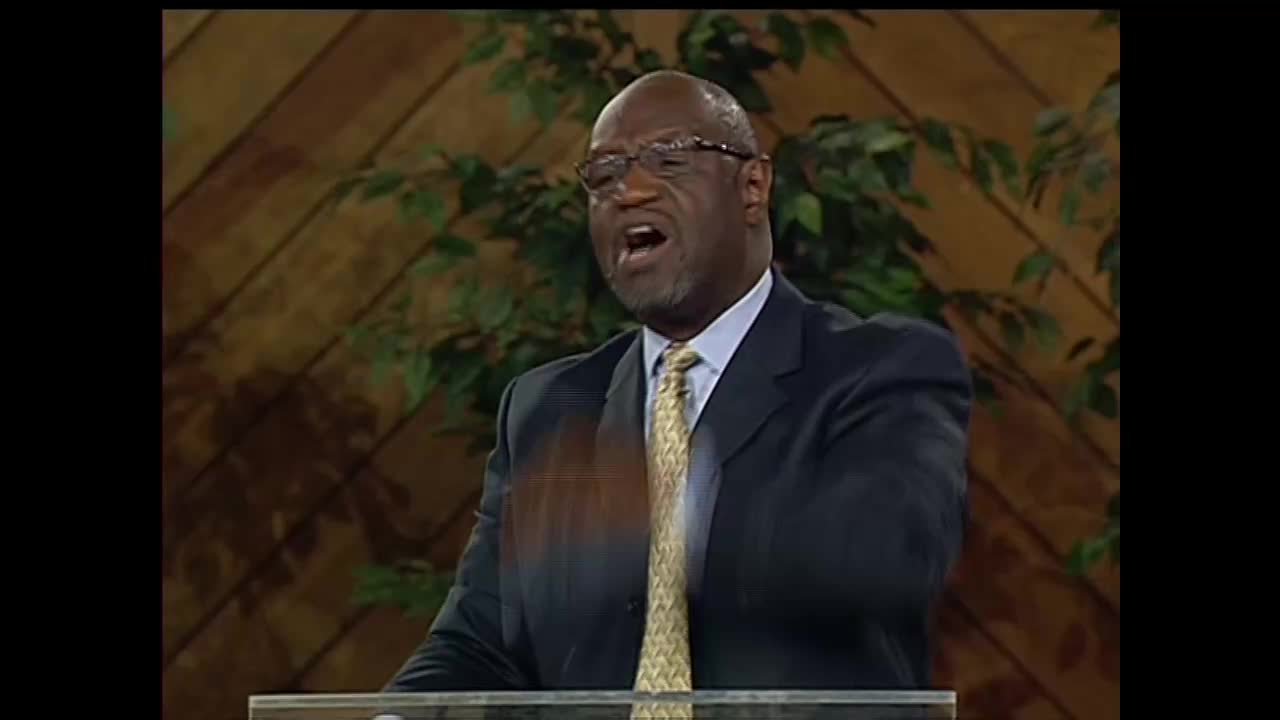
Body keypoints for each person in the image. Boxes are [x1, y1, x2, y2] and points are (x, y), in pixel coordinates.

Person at [385, 70, 972, 696]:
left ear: (753, 187)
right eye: (605, 174)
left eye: (668, 160)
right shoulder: (550, 407)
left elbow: (884, 562)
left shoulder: (881, 369)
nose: (629, 192)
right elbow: (479, 639)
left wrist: (672, 509)